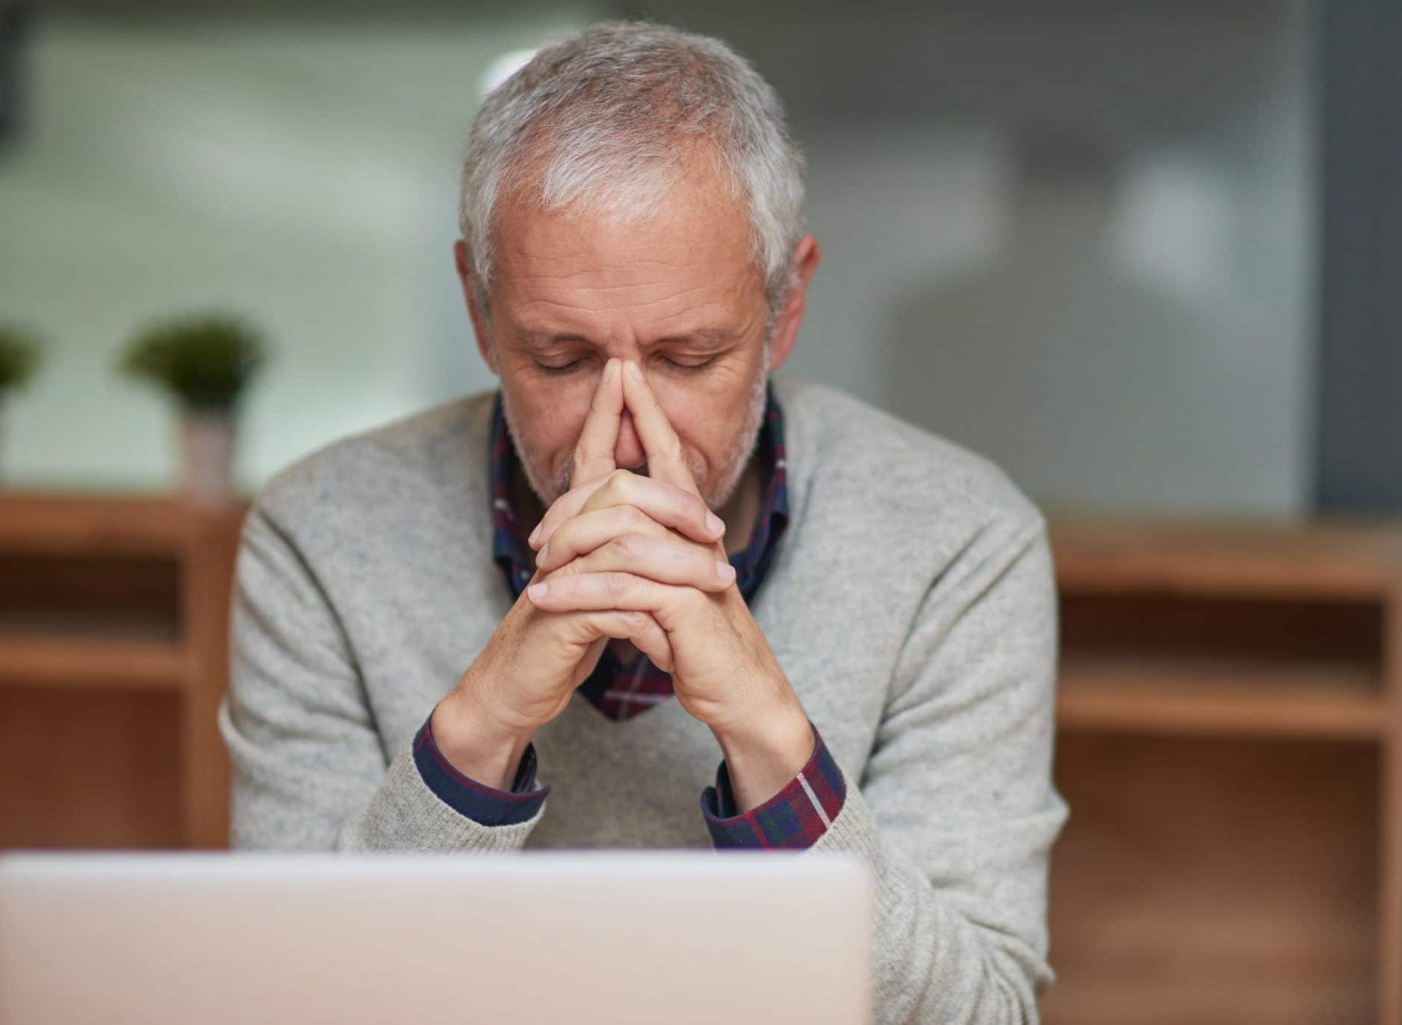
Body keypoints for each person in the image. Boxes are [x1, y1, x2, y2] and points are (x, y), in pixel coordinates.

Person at [220, 20, 1067, 1024]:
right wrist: (486, 718)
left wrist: (766, 730)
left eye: (688, 357)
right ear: (480, 311)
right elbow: (283, 1000)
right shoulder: (319, 536)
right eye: (563, 359)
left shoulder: (959, 544)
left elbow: (978, 1015)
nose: (625, 435)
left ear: (785, 308)